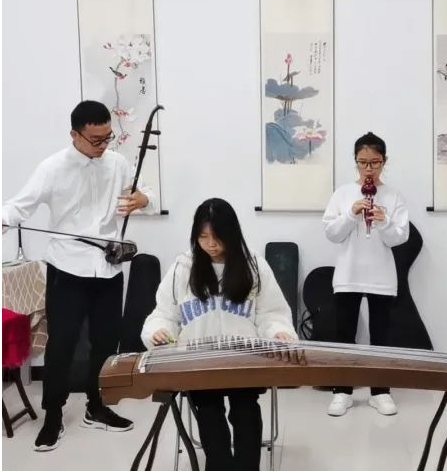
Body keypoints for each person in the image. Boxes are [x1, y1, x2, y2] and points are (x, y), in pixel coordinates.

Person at [1, 100, 157, 451]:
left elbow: (145, 191)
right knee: (62, 344)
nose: (103, 145)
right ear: (74, 134)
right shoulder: (52, 168)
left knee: (105, 342)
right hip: (67, 268)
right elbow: (19, 206)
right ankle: (53, 414)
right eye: (95, 139)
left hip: (109, 267)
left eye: (108, 137)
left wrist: (142, 200)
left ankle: (96, 406)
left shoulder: (117, 163)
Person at [141, 198, 297, 471]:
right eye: (203, 237)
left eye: (218, 237)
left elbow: (271, 313)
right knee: (209, 411)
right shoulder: (183, 268)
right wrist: (158, 331)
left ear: (232, 235)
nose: (211, 244)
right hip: (199, 363)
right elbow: (164, 313)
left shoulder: (254, 266)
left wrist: (279, 331)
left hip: (244, 361)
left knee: (245, 411)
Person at [322, 132, 409, 417]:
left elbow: (399, 238)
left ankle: (380, 391)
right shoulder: (343, 193)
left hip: (381, 277)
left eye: (375, 162)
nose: (369, 169)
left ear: (384, 161)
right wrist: (351, 213)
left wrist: (383, 221)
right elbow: (332, 233)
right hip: (348, 274)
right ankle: (342, 391)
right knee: (344, 334)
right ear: (355, 161)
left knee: (381, 335)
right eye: (363, 162)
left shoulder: (393, 196)